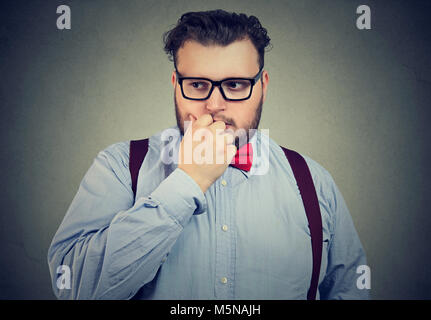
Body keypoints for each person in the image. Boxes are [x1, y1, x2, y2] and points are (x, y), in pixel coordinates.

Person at [47, 9, 369, 300]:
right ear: (176, 85)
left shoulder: (314, 184)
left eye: (236, 84)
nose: (215, 105)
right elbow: (73, 289)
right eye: (198, 85)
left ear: (263, 87)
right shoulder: (119, 167)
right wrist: (188, 182)